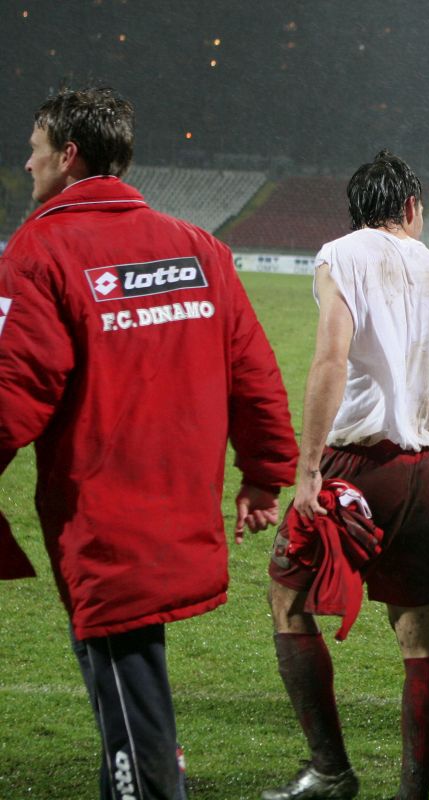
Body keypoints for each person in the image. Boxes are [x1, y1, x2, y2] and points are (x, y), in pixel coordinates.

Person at [0, 87, 298, 799]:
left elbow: (14, 386)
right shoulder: (198, 247)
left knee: (133, 720)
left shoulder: (41, 248)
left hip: (104, 519)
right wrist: (263, 475)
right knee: (129, 701)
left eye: (36, 149)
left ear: (67, 155)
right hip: (179, 508)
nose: (28, 162)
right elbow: (254, 374)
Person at [263, 150, 429, 800]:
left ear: (357, 210)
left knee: (287, 597)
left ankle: (331, 768)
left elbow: (330, 357)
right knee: (417, 632)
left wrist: (308, 467)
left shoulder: (343, 255)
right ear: (412, 207)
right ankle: (413, 795)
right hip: (427, 470)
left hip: (356, 463)